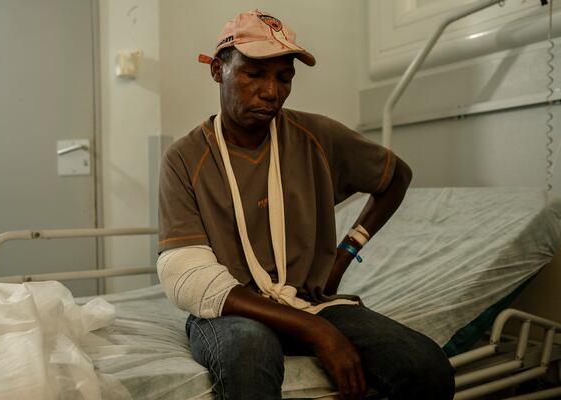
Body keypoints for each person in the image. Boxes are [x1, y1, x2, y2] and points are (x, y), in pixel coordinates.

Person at [157, 9, 455, 400]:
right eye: (254, 73)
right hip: (231, 311)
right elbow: (189, 277)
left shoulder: (315, 136)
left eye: (284, 78)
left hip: (308, 301)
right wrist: (319, 332)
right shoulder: (185, 158)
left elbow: (396, 176)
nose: (271, 91)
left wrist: (346, 252)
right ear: (218, 70)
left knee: (427, 368)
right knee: (249, 351)